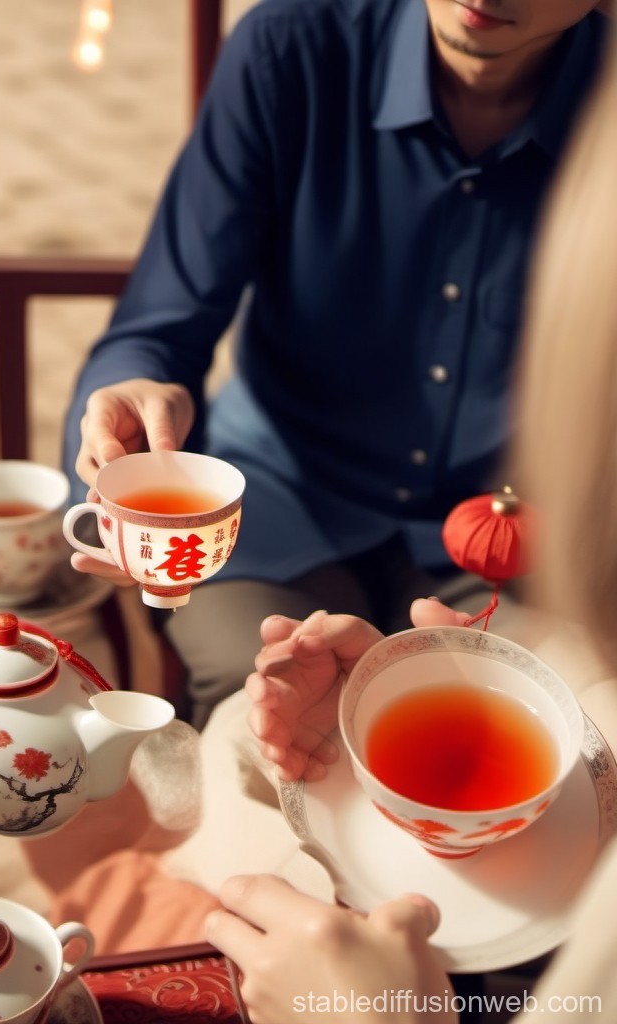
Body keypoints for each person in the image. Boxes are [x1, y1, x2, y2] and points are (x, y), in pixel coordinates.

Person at [204, 17, 617, 1022]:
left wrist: (392, 1013)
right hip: (289, 499)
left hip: (487, 550)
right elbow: (164, 308)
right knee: (237, 710)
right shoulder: (292, 51)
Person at [62, 0, 611, 730]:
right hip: (276, 493)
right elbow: (160, 327)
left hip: (518, 519)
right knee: (254, 692)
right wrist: (131, 401)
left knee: (534, 729)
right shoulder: (287, 49)